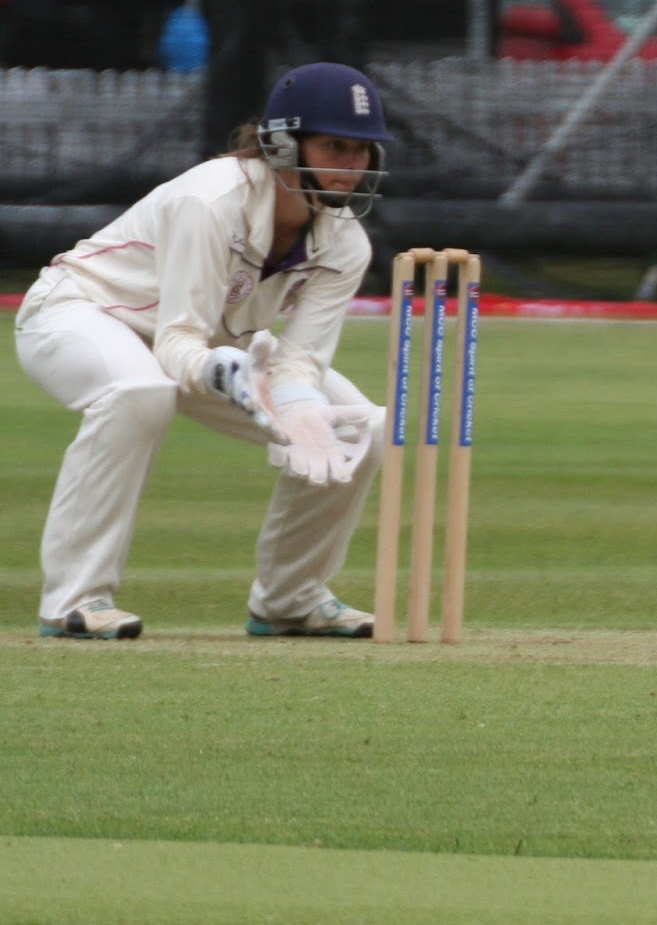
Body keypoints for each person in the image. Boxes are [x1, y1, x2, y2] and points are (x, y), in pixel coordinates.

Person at [14, 62, 394, 640]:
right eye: (335, 145)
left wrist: (294, 400)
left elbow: (300, 360)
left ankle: (291, 600)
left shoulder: (345, 243)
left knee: (358, 429)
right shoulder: (212, 201)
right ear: (284, 144)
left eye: (362, 150)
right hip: (84, 311)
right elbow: (178, 341)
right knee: (141, 392)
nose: (351, 165)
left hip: (212, 346)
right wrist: (223, 369)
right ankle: (76, 600)